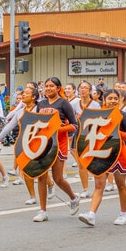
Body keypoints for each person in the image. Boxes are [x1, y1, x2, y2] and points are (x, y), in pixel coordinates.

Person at [78, 89, 126, 226]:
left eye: (116, 98)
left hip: (118, 154)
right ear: (104, 100)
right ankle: (91, 214)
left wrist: (115, 131)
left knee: (121, 185)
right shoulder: (97, 115)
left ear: (120, 100)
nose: (113, 101)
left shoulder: (123, 116)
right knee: (99, 185)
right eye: (110, 98)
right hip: (100, 153)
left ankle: (123, 214)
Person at [32, 77, 80, 221]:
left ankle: (73, 197)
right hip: (43, 144)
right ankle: (42, 211)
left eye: (51, 86)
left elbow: (74, 125)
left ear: (58, 88)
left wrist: (59, 129)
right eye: (46, 86)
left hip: (59, 144)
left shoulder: (64, 103)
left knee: (58, 178)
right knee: (41, 176)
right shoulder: (41, 104)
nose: (48, 88)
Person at [69, 80, 101, 198]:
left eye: (85, 88)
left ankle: (101, 185)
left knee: (94, 163)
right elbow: (71, 120)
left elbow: (99, 121)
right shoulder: (73, 104)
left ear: (90, 91)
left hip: (92, 134)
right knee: (81, 164)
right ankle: (85, 189)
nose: (83, 90)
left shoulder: (95, 105)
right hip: (78, 135)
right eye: (81, 88)